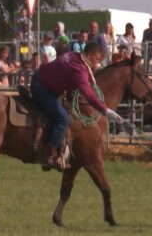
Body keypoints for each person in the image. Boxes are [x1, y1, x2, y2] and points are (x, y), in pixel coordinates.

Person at [29, 42, 124, 170]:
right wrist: (104, 109)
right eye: (97, 58)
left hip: (43, 81)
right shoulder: (79, 67)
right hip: (41, 87)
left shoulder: (74, 56)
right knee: (63, 119)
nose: (98, 62)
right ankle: (48, 154)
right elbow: (88, 93)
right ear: (90, 55)